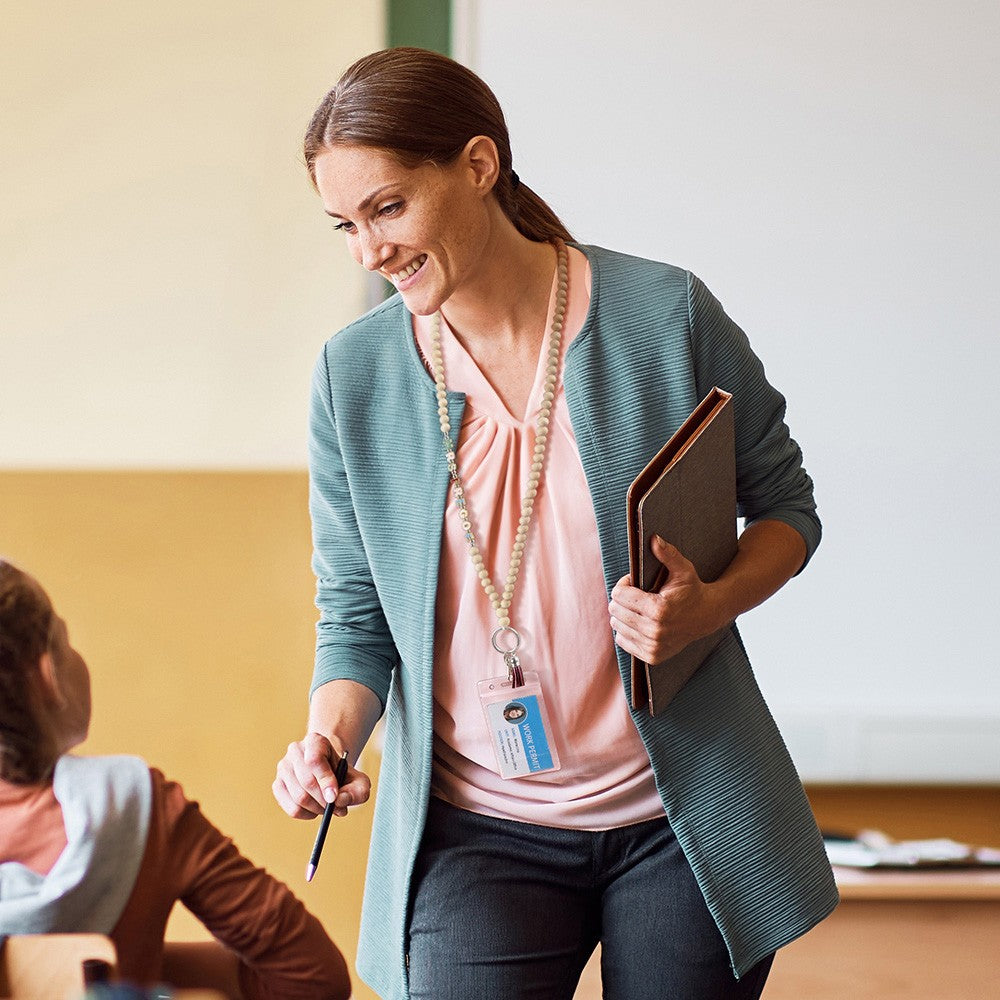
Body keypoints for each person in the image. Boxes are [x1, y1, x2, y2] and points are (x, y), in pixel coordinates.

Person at [272, 45, 838, 1000]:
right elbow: (357, 616)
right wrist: (329, 739)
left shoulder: (665, 316)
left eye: (389, 208)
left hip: (678, 819)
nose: (369, 252)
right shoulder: (353, 376)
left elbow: (787, 506)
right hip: (473, 829)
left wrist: (712, 605)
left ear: (479, 165)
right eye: (344, 225)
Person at [0, 559, 351, 1000]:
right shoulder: (135, 807)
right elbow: (315, 977)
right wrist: (127, 974)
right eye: (65, 640)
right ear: (50, 678)